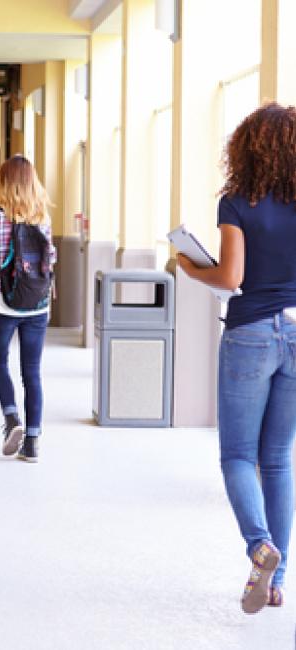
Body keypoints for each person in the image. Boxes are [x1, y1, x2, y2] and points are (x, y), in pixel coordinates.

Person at [177, 102, 296, 614]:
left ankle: (259, 547)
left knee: (238, 457)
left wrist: (188, 266)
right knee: (279, 459)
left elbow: (230, 278)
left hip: (250, 331)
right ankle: (276, 582)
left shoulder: (237, 201)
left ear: (246, 148)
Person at [0, 155, 56, 463]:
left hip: (3, 304)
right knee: (32, 372)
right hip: (37, 304)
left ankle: (12, 419)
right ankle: (33, 442)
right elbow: (50, 261)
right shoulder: (42, 217)